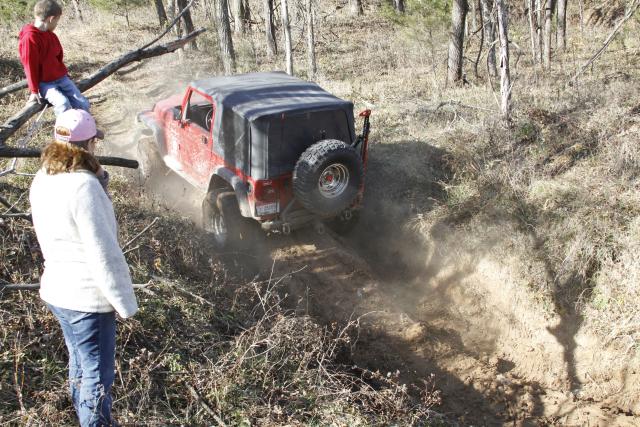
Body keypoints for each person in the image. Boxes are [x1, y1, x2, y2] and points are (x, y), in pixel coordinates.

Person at [29, 109, 138, 426]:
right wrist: (125, 304)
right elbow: (103, 252)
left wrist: (100, 179)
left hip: (58, 290)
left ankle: (86, 416)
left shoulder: (44, 177)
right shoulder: (83, 187)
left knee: (80, 362)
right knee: (97, 375)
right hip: (87, 298)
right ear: (90, 144)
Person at [18, 0, 90, 116]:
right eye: (57, 21)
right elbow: (29, 66)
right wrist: (34, 90)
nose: (57, 24)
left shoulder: (51, 35)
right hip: (44, 83)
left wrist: (65, 75)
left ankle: (86, 125)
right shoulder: (30, 38)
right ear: (51, 19)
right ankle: (64, 127)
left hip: (61, 78)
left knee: (83, 103)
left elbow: (58, 57)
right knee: (63, 104)